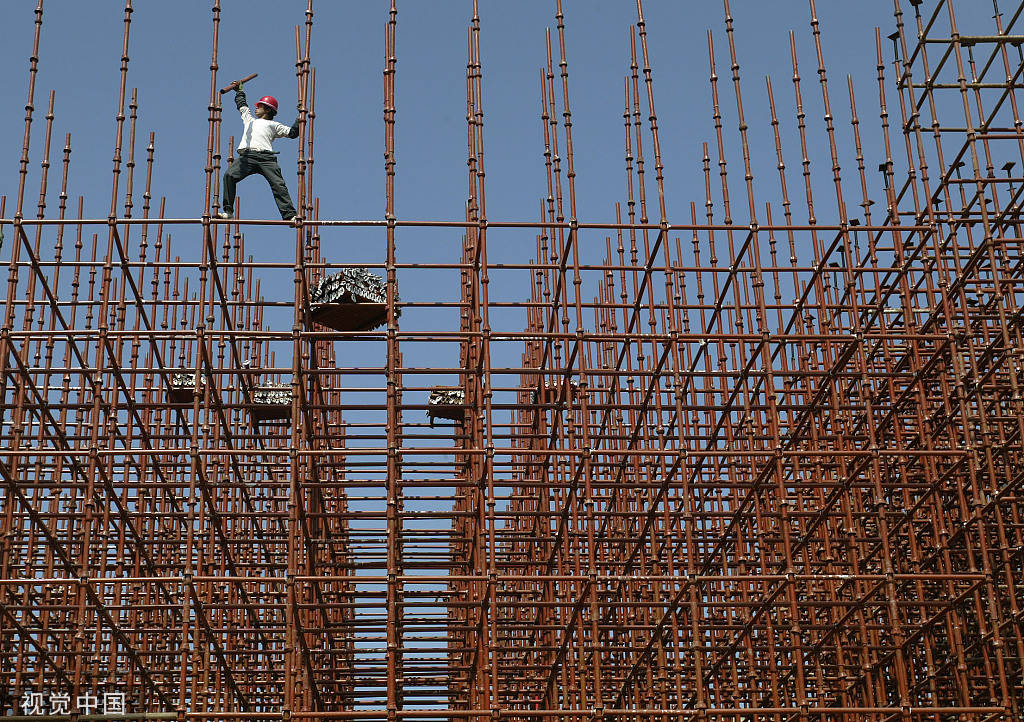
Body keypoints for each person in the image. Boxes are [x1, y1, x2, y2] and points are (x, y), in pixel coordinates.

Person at [217, 81, 302, 222]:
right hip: (248, 157)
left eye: (260, 106)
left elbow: (292, 133)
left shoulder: (274, 125)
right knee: (229, 175)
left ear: (268, 110)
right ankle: (228, 211)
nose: (256, 108)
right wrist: (239, 92)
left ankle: (289, 215)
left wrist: (300, 117)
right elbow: (242, 106)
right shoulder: (249, 121)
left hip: (267, 158)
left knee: (278, 185)